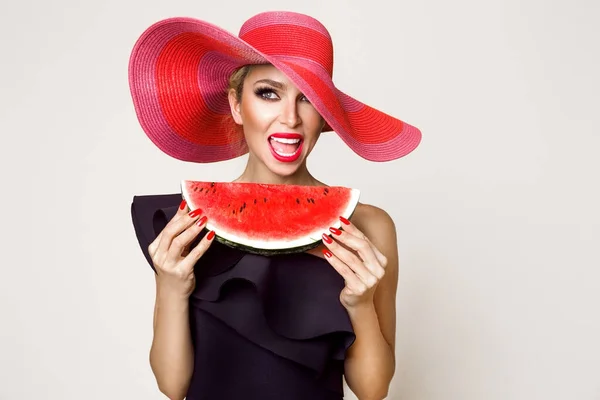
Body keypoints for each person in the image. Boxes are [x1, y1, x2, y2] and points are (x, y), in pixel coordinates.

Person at [129, 11, 421, 400]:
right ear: (236, 104)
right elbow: (173, 385)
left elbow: (373, 389)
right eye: (268, 92)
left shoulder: (370, 225)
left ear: (325, 115)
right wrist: (171, 287)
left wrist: (361, 303)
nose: (289, 118)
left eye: (308, 99)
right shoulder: (188, 223)